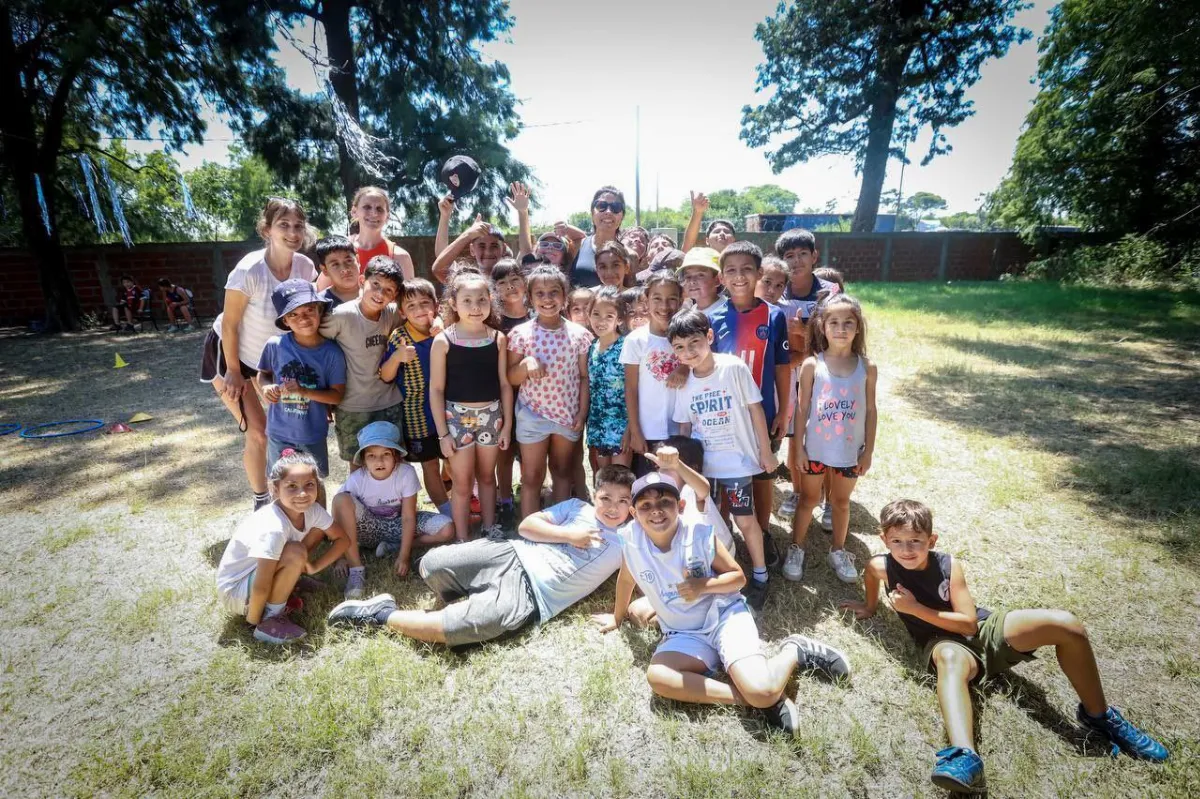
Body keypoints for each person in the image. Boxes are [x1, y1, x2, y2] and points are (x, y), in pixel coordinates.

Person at [841, 500, 1169, 793]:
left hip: (984, 629)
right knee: (951, 660)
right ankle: (963, 756)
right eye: (896, 541)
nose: (906, 549)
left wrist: (915, 610)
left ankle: (1099, 716)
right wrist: (870, 608)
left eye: (915, 541)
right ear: (885, 541)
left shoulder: (948, 566)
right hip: (944, 645)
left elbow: (969, 623)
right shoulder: (879, 565)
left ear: (932, 540)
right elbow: (872, 578)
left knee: (1067, 624)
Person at [593, 471, 851, 735]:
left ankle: (794, 651)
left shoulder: (699, 535)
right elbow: (626, 580)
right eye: (645, 506)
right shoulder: (631, 540)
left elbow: (738, 578)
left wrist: (702, 586)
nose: (656, 511)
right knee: (658, 677)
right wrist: (617, 617)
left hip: (724, 618)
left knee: (762, 690)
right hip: (684, 634)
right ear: (634, 514)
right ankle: (748, 699)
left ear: (680, 506)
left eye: (664, 502)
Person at [326, 466, 637, 647]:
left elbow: (648, 575)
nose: (612, 507)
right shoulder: (576, 508)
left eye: (622, 501)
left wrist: (622, 615)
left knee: (454, 631)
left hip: (534, 594)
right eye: (605, 497)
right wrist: (570, 535)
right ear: (594, 494)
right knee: (430, 565)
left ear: (632, 507)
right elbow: (527, 527)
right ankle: (473, 588)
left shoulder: (631, 539)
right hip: (510, 553)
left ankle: (379, 614)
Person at [201, 197, 316, 510]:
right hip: (232, 355)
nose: (292, 232)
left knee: (290, 430)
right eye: (283, 225)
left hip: (271, 360)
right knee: (259, 433)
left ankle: (289, 496)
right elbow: (231, 325)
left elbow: (305, 317)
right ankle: (261, 501)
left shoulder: (305, 267)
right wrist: (235, 372)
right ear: (267, 229)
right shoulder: (248, 269)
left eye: (297, 226)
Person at [668, 309, 779, 612]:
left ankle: (760, 574)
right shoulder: (684, 382)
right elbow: (684, 428)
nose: (688, 353)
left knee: (745, 519)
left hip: (737, 465)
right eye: (680, 348)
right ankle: (720, 571)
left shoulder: (732, 368)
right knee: (708, 522)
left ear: (710, 337)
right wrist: (684, 468)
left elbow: (756, 409)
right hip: (705, 470)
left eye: (695, 343)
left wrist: (765, 451)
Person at [786, 295, 877, 584]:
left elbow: (871, 411)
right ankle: (796, 547)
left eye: (848, 322)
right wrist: (799, 447)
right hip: (815, 450)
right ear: (822, 327)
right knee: (809, 499)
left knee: (841, 501)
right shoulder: (813, 365)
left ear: (858, 328)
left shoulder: (867, 367)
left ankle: (838, 550)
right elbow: (801, 410)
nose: (841, 328)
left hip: (850, 451)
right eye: (834, 322)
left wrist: (868, 452)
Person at [215, 450, 348, 644]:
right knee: (295, 552)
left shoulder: (313, 511)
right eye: (292, 486)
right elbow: (261, 584)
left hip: (257, 576)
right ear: (275, 489)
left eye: (309, 485)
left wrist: (314, 567)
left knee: (318, 530)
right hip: (237, 591)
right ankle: (270, 618)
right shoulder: (273, 527)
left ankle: (291, 581)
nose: (302, 493)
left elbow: (343, 539)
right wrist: (254, 621)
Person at [709, 241, 792, 541]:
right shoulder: (713, 318)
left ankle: (764, 532)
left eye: (746, 269)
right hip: (726, 415)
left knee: (762, 475)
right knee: (729, 474)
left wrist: (784, 410)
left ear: (759, 274)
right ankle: (726, 534)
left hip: (764, 412)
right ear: (721, 278)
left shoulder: (774, 317)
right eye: (730, 270)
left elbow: (782, 366)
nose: (739, 276)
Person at [430, 269, 513, 540]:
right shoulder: (443, 341)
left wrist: (507, 425)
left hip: (492, 416)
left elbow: (504, 384)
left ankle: (491, 529)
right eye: (467, 300)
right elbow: (437, 389)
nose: (475, 307)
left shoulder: (497, 338)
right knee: (463, 482)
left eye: (482, 300)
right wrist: (443, 434)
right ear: (453, 303)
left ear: (491, 301)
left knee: (488, 477)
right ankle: (462, 538)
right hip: (456, 419)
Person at [507, 266, 593, 519]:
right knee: (532, 476)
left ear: (565, 296)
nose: (547, 299)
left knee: (562, 471)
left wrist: (582, 411)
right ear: (530, 298)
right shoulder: (520, 334)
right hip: (532, 415)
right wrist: (524, 366)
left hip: (566, 415)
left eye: (554, 292)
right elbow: (511, 377)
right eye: (540, 293)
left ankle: (560, 527)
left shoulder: (580, 335)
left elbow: (584, 377)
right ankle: (530, 531)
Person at [332, 421, 454, 586]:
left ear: (396, 456)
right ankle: (356, 569)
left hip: (397, 525)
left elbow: (408, 517)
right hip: (368, 529)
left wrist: (404, 556)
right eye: (371, 456)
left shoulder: (406, 474)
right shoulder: (357, 479)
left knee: (447, 529)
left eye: (386, 454)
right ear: (363, 460)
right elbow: (339, 516)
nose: (379, 461)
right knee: (340, 499)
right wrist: (340, 557)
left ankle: (392, 547)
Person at [256, 280, 346, 482]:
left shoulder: (332, 353)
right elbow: (263, 373)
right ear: (285, 321)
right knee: (280, 483)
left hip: (312, 433)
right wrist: (266, 386)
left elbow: (337, 396)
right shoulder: (275, 345)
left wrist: (304, 391)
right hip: (279, 431)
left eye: (309, 310)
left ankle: (318, 515)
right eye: (293, 314)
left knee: (315, 483)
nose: (303, 318)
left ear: (320, 310)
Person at [379, 278, 450, 514]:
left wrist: (442, 328)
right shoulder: (399, 337)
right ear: (401, 311)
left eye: (424, 303)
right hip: (417, 416)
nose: (419, 310)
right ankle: (447, 512)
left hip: (449, 410)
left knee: (452, 459)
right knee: (430, 465)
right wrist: (396, 357)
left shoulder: (447, 331)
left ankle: (458, 497)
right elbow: (386, 376)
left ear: (436, 305)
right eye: (411, 306)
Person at [621, 272, 684, 472]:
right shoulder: (635, 340)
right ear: (646, 300)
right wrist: (635, 431)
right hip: (648, 430)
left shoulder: (689, 337)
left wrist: (684, 366)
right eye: (657, 299)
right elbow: (630, 388)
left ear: (681, 301)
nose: (664, 306)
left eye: (671, 299)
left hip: (683, 428)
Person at [586, 286, 629, 469]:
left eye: (609, 316)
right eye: (596, 314)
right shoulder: (592, 347)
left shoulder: (626, 347)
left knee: (620, 479)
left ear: (619, 319)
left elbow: (635, 389)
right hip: (597, 424)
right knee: (602, 478)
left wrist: (630, 429)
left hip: (621, 426)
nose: (601, 321)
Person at [558, 186, 626, 288]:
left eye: (616, 207)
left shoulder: (629, 255)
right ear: (592, 214)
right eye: (601, 206)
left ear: (622, 217)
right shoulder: (577, 245)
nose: (608, 211)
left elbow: (632, 297)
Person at [346, 186, 415, 280]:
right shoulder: (342, 250)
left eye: (379, 209)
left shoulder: (400, 257)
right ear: (354, 211)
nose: (374, 213)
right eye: (367, 207)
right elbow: (321, 292)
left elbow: (409, 294)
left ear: (387, 216)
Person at [432, 213, 508, 284]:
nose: (488, 252)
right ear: (472, 250)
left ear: (504, 249)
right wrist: (467, 235)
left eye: (494, 246)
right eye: (482, 246)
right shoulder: (466, 281)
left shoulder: (513, 278)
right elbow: (440, 266)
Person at [313, 235, 361, 309]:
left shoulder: (376, 294)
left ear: (357, 261)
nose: (345, 269)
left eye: (348, 261)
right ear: (325, 270)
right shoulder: (321, 304)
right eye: (335, 264)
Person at [677, 247, 725, 319]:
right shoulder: (690, 314)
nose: (692, 281)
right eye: (688, 276)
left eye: (700, 275)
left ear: (718, 280)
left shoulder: (727, 312)